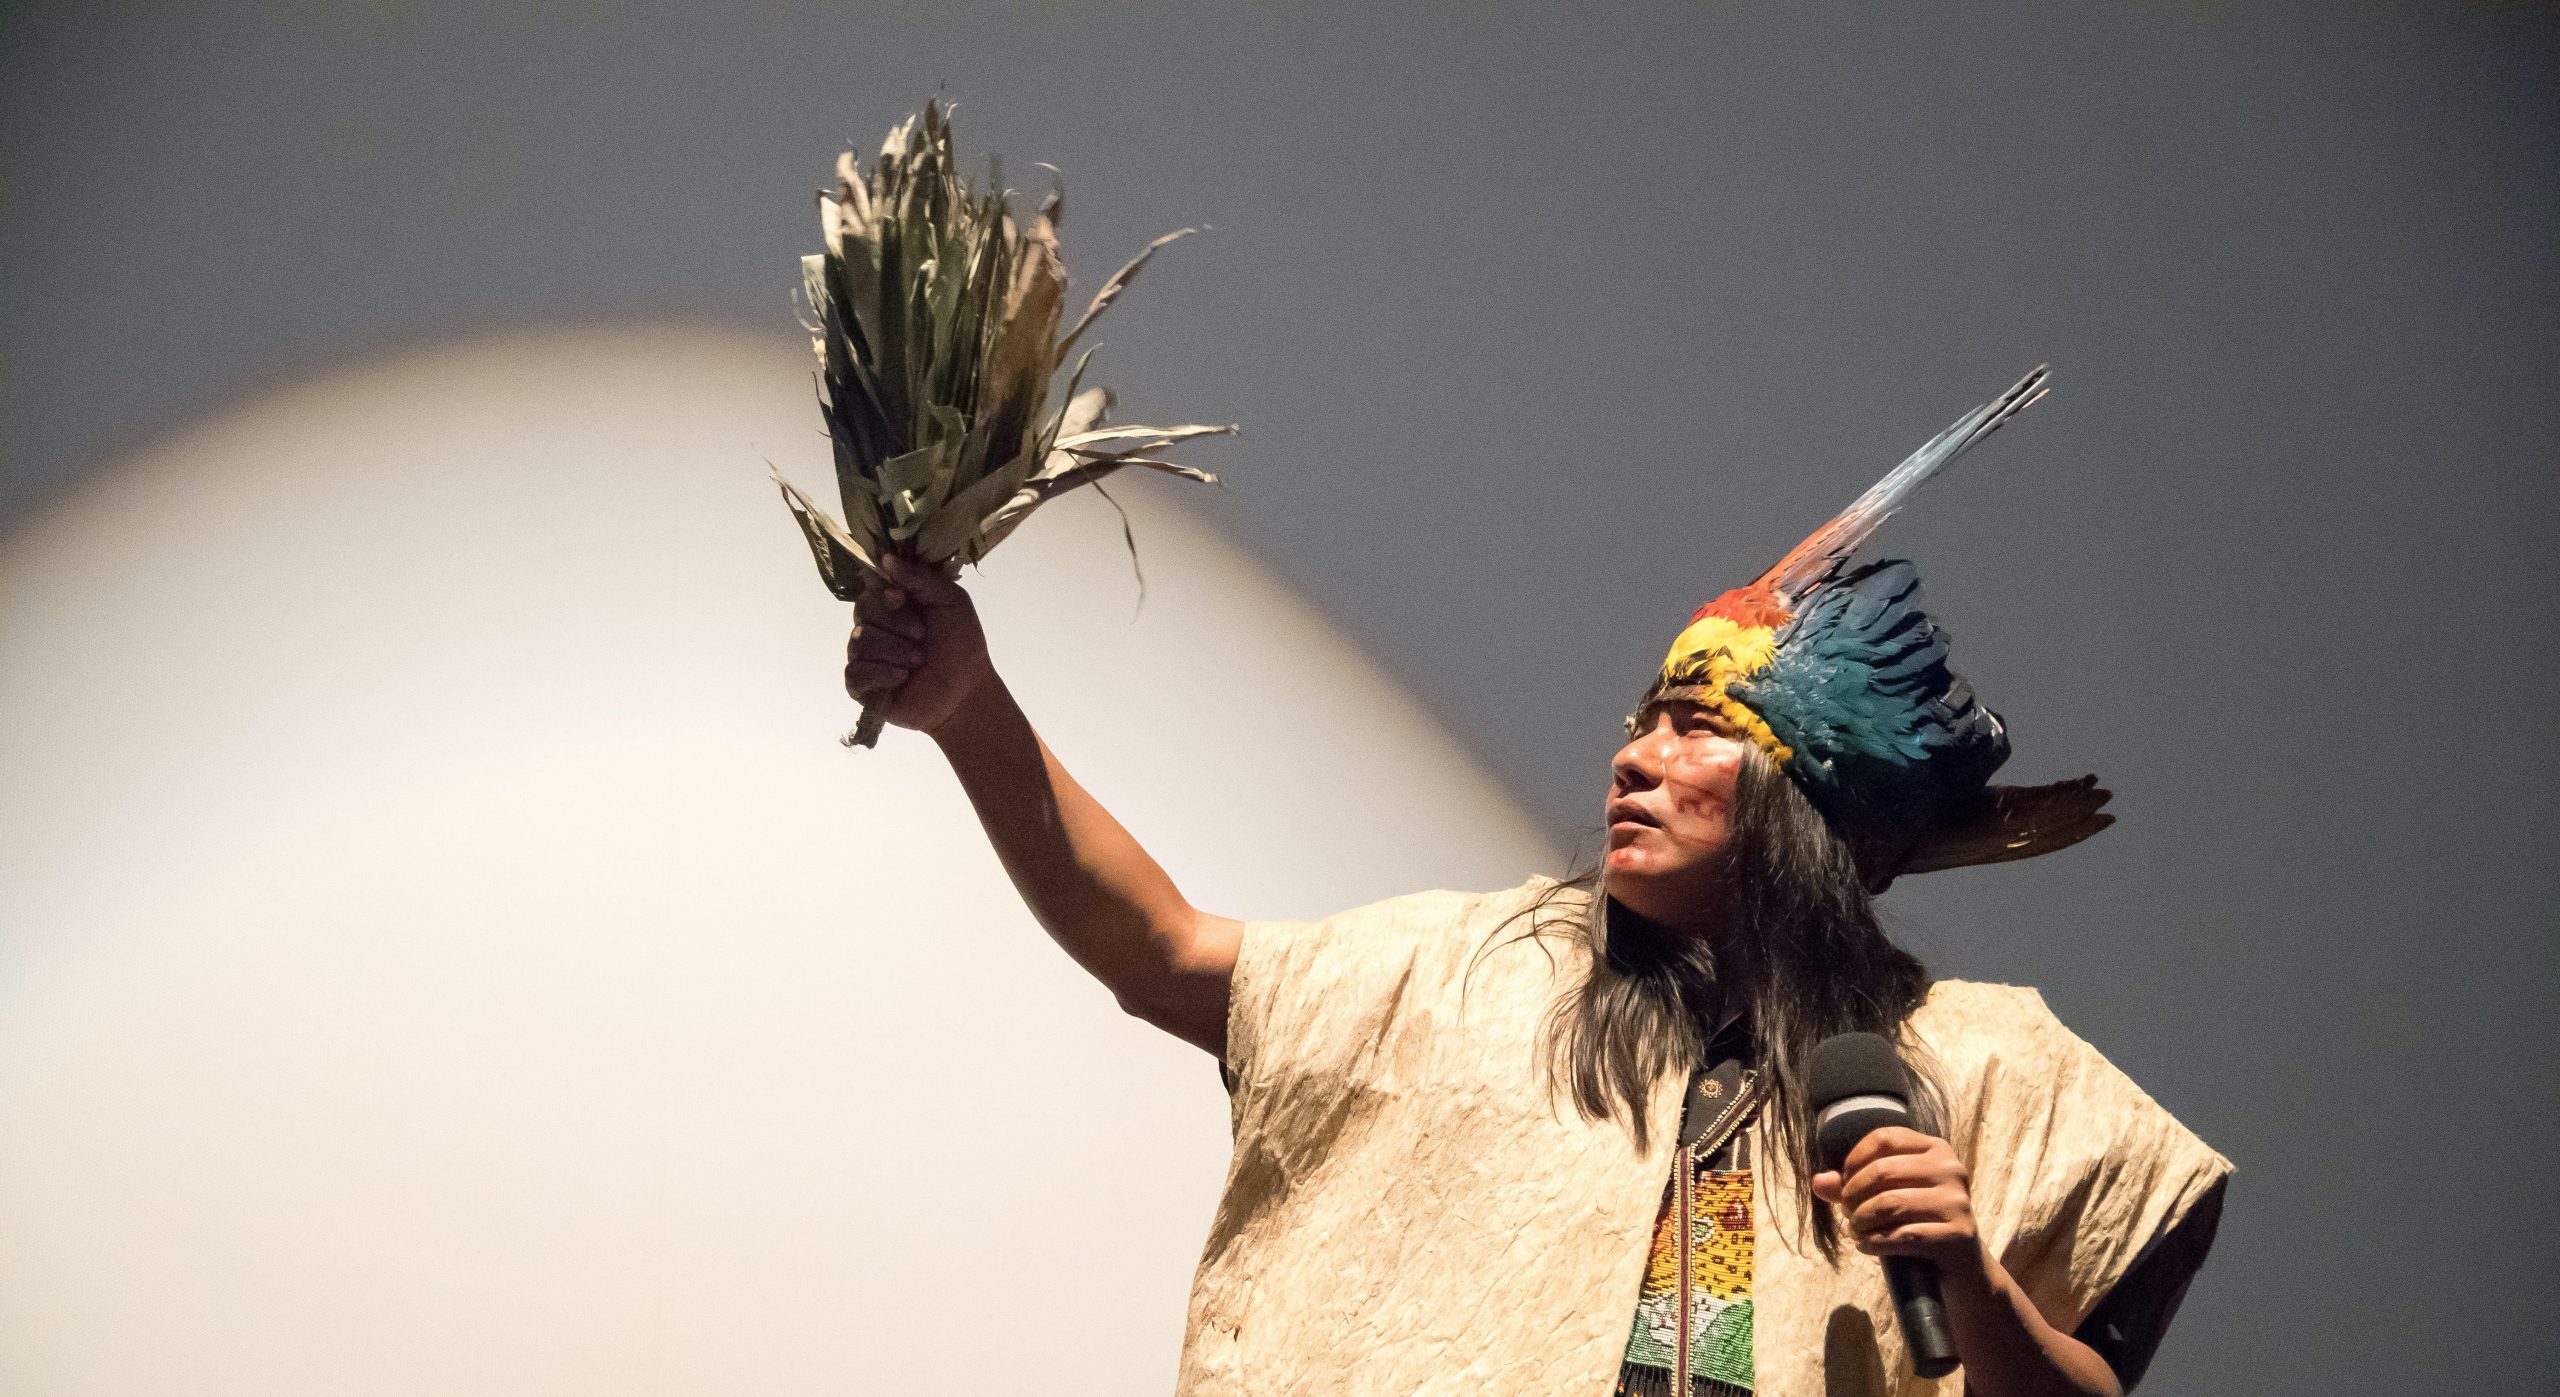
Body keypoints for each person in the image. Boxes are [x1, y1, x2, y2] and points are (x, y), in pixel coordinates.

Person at [840, 368, 2230, 1397]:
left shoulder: (1992, 1074)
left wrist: (1976, 1287)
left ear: (1821, 812)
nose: (1634, 756)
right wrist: (968, 705)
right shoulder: (1476, 978)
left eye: (1700, 728)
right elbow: (1154, 946)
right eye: (1643, 717)